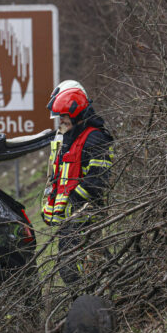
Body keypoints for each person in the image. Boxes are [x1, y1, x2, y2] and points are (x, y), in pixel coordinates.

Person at [42, 86, 113, 285]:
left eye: (64, 116)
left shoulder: (95, 138)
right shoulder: (71, 139)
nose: (61, 121)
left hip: (88, 215)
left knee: (80, 267)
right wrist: (51, 209)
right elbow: (61, 178)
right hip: (72, 218)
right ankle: (88, 298)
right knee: (73, 268)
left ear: (76, 114)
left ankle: (91, 301)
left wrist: (75, 200)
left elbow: (98, 179)